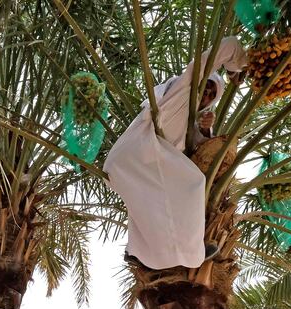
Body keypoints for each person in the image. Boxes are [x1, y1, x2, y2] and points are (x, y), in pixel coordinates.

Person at [103, 36, 248, 270]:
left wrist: (204, 128)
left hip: (139, 159)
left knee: (151, 201)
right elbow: (228, 45)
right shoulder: (182, 90)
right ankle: (194, 252)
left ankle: (138, 252)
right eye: (207, 88)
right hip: (139, 150)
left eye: (213, 96)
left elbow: (198, 146)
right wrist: (236, 66)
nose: (207, 96)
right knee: (194, 182)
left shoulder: (190, 121)